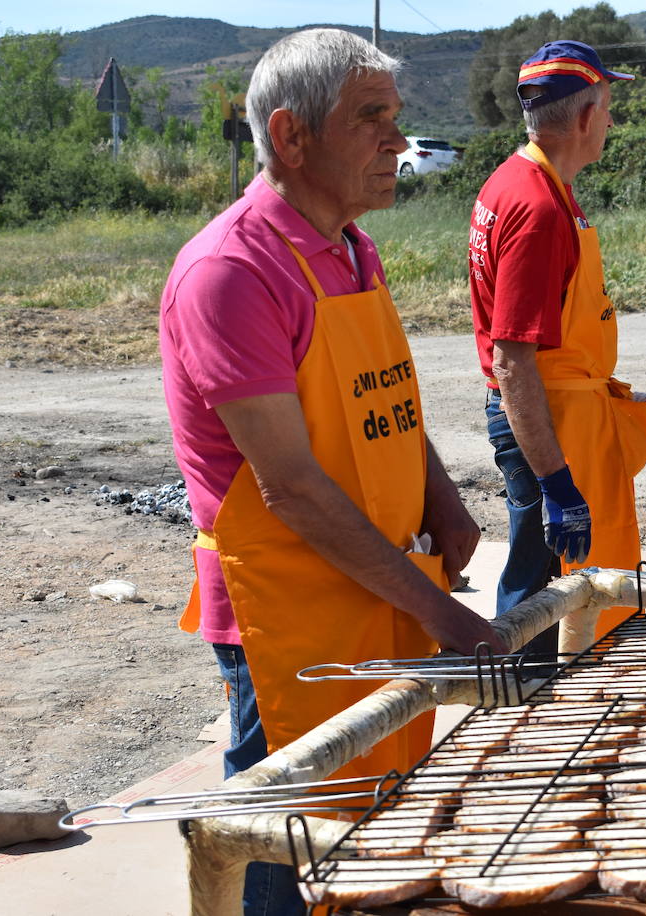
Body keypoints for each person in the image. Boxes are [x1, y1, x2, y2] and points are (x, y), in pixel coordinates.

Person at [159, 28, 502, 916]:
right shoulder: (232, 272)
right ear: (291, 135)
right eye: (371, 119)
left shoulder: (352, 246)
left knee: (366, 818)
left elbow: (376, 399)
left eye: (396, 118)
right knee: (286, 828)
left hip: (376, 579)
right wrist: (445, 614)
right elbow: (293, 486)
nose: (398, 140)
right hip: (291, 610)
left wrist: (442, 497)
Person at [468, 40, 646, 659]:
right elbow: (512, 359)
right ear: (582, 116)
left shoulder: (526, 181)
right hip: (545, 423)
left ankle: (524, 698)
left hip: (559, 412)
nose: (610, 120)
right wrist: (555, 481)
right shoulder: (537, 206)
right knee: (536, 594)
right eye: (607, 106)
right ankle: (516, 715)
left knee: (545, 585)